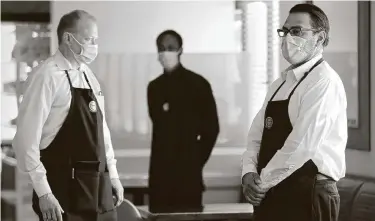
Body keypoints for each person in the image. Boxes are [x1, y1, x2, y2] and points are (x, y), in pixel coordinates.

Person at [13, 10, 124, 221]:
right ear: (68, 38)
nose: (93, 45)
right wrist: (44, 192)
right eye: (88, 39)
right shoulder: (46, 76)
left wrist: (114, 176)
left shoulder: (89, 76)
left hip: (97, 190)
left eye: (95, 40)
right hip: (62, 193)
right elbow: (25, 142)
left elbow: (102, 133)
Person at [241, 3, 347, 221]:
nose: (288, 37)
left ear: (319, 37)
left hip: (309, 190)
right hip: (272, 189)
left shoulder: (324, 81)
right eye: (285, 31)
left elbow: (302, 144)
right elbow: (256, 135)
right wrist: (248, 172)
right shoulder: (280, 83)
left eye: (297, 31)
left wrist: (261, 183)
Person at [147, 30, 220, 212]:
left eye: (171, 48)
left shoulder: (198, 84)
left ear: (180, 49)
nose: (166, 52)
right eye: (162, 48)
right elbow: (159, 129)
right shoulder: (154, 88)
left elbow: (211, 129)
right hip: (160, 178)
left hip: (188, 178)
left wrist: (194, 161)